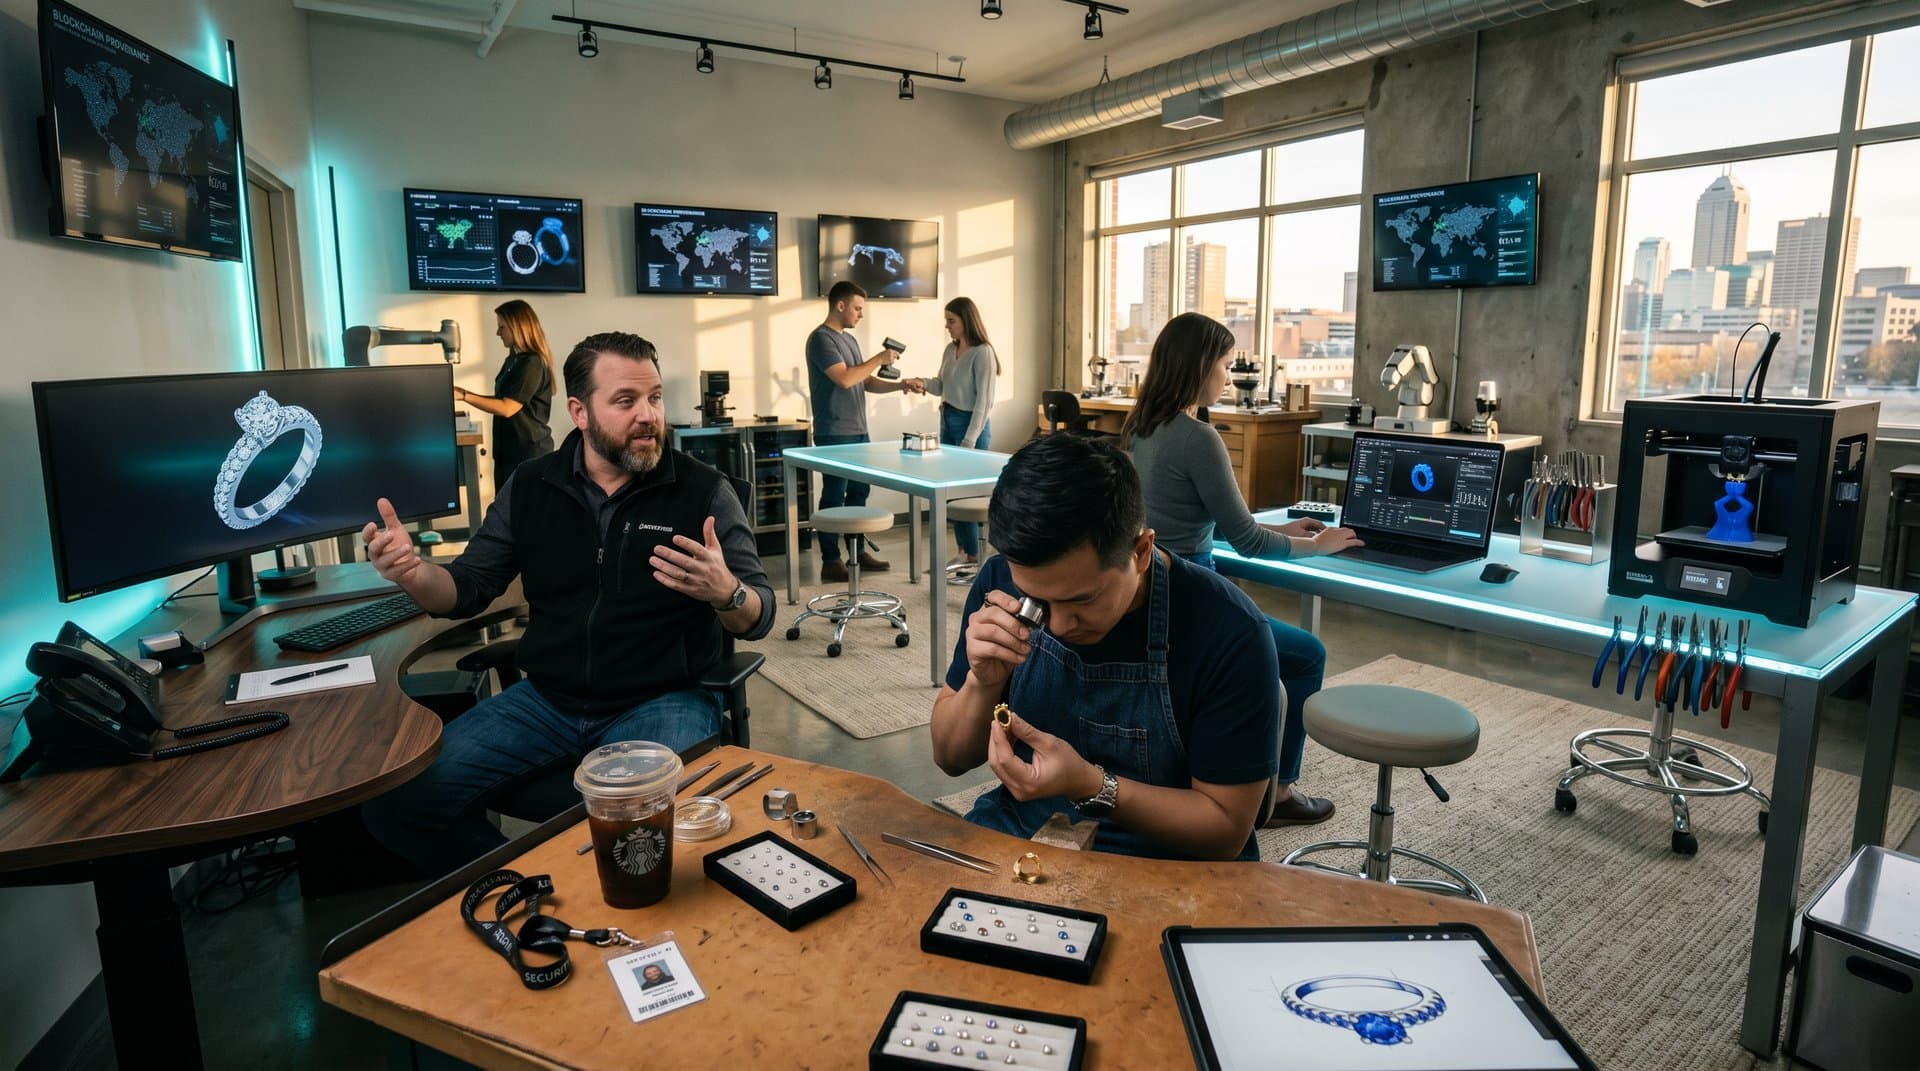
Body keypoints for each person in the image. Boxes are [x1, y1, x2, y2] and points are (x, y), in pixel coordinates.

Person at [362, 331, 774, 875]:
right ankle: (523, 887)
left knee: (636, 841)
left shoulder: (702, 491)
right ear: (579, 412)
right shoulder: (531, 486)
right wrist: (414, 574)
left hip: (662, 699)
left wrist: (728, 593)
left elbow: (760, 614)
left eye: (654, 398)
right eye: (626, 401)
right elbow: (464, 591)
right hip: (547, 701)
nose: (648, 415)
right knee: (397, 802)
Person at [930, 434, 1281, 861]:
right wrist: (982, 684)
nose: (1056, 626)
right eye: (1037, 602)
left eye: (1082, 600)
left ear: (1141, 550)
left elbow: (1225, 831)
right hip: (1021, 828)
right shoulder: (1001, 582)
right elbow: (949, 758)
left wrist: (1090, 785)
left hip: (1167, 863)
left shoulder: (1228, 632)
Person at [1121, 312, 1362, 828]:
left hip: (1146, 586)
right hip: (1188, 595)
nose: (1229, 378)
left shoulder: (1140, 425)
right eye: (1226, 366)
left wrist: (1296, 533)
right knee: (1305, 656)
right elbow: (1248, 541)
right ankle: (1277, 795)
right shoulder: (1197, 436)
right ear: (1199, 367)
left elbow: (1206, 517)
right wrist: (1320, 545)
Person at [806, 281, 925, 583]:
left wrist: (901, 384)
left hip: (858, 430)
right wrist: (879, 359)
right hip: (834, 432)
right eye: (858, 308)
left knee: (859, 492)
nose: (861, 314)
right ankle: (831, 560)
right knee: (834, 494)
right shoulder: (821, 339)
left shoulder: (850, 341)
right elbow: (845, 379)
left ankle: (856, 552)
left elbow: (865, 381)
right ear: (841, 305)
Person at [921, 296, 1000, 583]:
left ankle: (976, 555)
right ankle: (965, 552)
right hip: (948, 418)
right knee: (952, 493)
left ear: (967, 320)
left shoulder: (983, 353)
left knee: (971, 494)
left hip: (971, 426)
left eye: (951, 321)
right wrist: (923, 384)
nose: (947, 326)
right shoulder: (950, 349)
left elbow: (984, 403)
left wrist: (969, 442)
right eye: (947, 321)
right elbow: (942, 385)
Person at [454, 299, 556, 495]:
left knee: (525, 513)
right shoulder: (512, 361)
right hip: (507, 454)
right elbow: (501, 399)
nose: (498, 333)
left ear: (518, 327)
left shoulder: (532, 363)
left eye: (502, 327)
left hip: (528, 454)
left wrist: (465, 396)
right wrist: (463, 394)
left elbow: (507, 407)